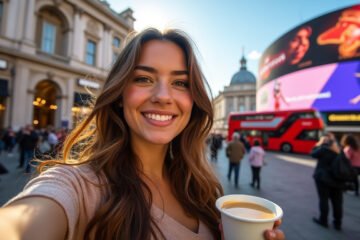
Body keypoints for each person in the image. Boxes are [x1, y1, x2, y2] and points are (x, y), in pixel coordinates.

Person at [0, 28, 284, 240]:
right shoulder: (78, 186)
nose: (163, 96)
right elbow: (19, 224)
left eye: (180, 82)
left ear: (194, 99)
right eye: (144, 78)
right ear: (120, 93)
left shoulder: (201, 185)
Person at [311, 133, 343, 231]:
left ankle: (323, 220)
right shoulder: (339, 151)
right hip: (338, 180)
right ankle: (338, 223)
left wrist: (319, 143)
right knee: (337, 202)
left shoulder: (324, 149)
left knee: (324, 199)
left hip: (323, 179)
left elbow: (312, 154)